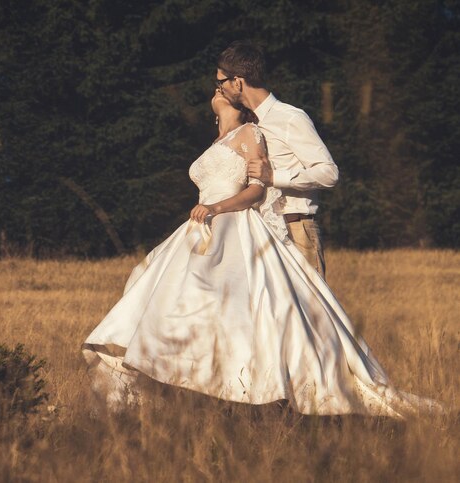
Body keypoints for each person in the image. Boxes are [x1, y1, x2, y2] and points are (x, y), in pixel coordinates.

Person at [82, 92, 442, 419]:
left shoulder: (253, 133)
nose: (216, 89)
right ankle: (181, 382)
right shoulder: (218, 140)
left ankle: (264, 394)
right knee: (171, 296)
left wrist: (218, 206)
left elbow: (257, 191)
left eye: (222, 83)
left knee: (254, 308)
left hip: (229, 220)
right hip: (202, 224)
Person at [216, 40, 338, 278]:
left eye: (221, 82)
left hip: (295, 230)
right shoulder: (248, 125)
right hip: (259, 235)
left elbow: (329, 173)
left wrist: (273, 177)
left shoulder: (290, 118)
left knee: (309, 312)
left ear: (238, 82)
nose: (218, 89)